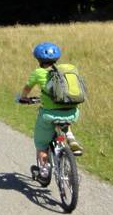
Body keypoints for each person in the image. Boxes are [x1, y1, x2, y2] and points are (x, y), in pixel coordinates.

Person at [18, 41, 83, 180]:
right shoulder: (63, 72)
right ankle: (70, 137)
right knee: (65, 118)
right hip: (73, 113)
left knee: (41, 144)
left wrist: (23, 98)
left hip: (49, 115)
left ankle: (44, 171)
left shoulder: (38, 73)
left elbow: (27, 88)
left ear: (38, 59)